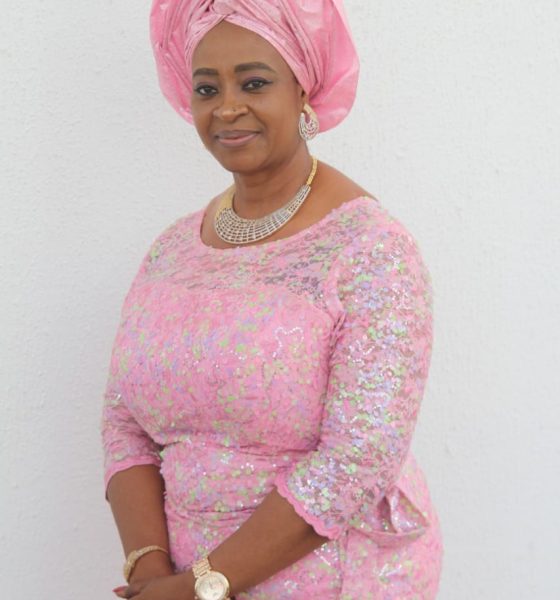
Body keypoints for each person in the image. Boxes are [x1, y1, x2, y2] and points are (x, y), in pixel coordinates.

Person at [101, 1, 444, 598]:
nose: (227, 107)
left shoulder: (369, 248)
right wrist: (149, 567)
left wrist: (199, 586)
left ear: (303, 90)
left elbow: (358, 460)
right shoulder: (172, 249)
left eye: (254, 82)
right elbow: (123, 419)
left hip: (336, 579)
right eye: (207, 88)